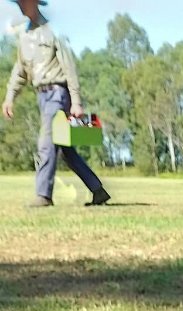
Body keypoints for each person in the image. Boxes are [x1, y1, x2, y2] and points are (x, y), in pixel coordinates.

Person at [2, 0, 110, 208]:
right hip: (41, 96)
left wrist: (76, 102)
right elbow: (19, 71)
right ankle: (98, 190)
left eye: (23, 1)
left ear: (34, 2)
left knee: (46, 143)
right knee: (65, 150)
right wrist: (10, 97)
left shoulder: (52, 31)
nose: (21, 6)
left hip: (58, 94)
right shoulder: (24, 36)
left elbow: (69, 67)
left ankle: (43, 195)